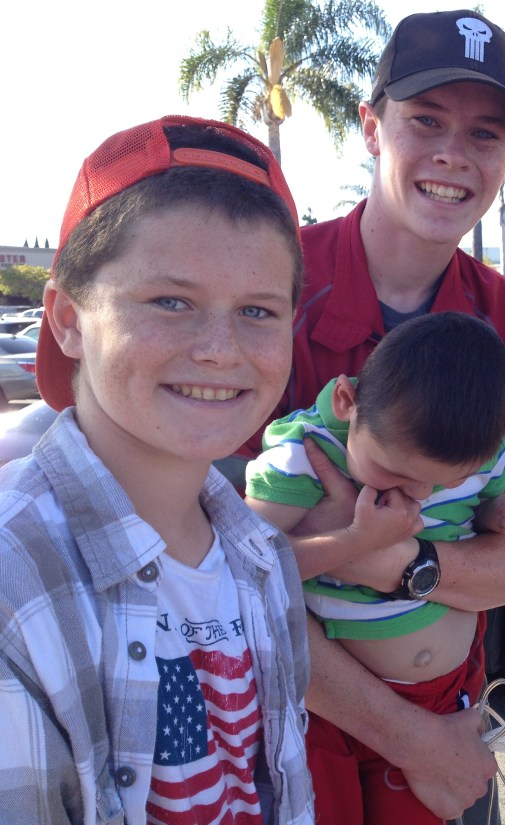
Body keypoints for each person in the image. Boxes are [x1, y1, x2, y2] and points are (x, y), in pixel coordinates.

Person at [234, 9, 505, 821]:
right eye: (426, 120)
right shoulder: (270, 283)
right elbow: (219, 570)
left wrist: (401, 560)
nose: (454, 154)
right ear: (370, 125)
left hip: (447, 722)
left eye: (486, 134)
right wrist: (408, 737)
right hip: (289, 736)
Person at [0, 116, 312, 823]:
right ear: (68, 320)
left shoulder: (262, 559)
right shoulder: (16, 586)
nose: (218, 347)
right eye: (171, 301)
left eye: (259, 311)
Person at [244, 311, 505, 824]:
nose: (418, 497)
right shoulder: (305, 456)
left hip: (442, 698)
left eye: (441, 484)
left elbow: (480, 512)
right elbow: (244, 569)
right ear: (345, 402)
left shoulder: (477, 451)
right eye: (395, 472)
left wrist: (499, 513)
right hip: (326, 711)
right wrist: (355, 542)